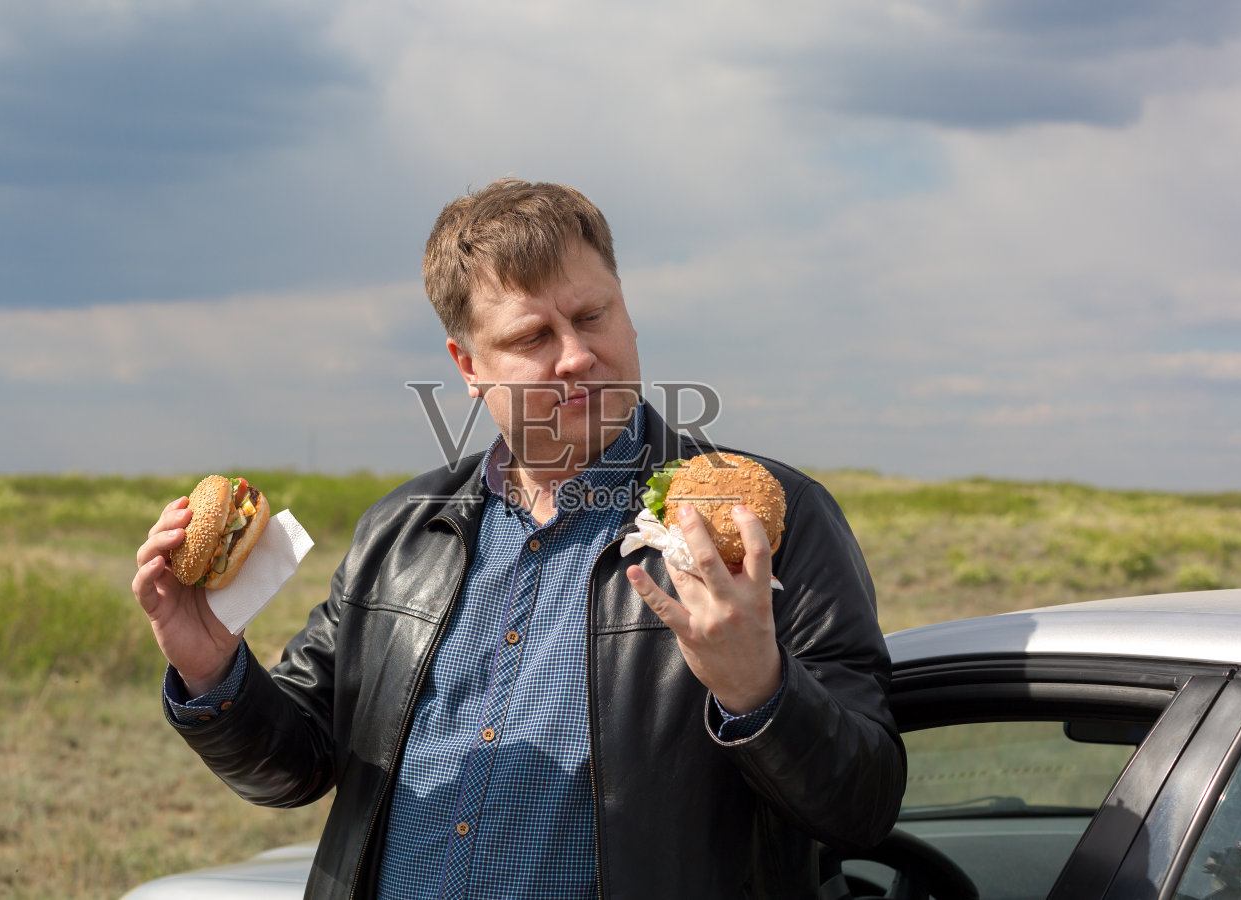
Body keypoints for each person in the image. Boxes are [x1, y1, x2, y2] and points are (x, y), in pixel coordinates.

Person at [132, 178, 905, 899]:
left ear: (627, 311)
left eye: (593, 315)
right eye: (533, 336)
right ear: (467, 364)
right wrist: (211, 671)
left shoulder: (764, 523)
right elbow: (297, 766)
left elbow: (862, 805)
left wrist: (759, 690)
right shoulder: (401, 535)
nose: (576, 355)